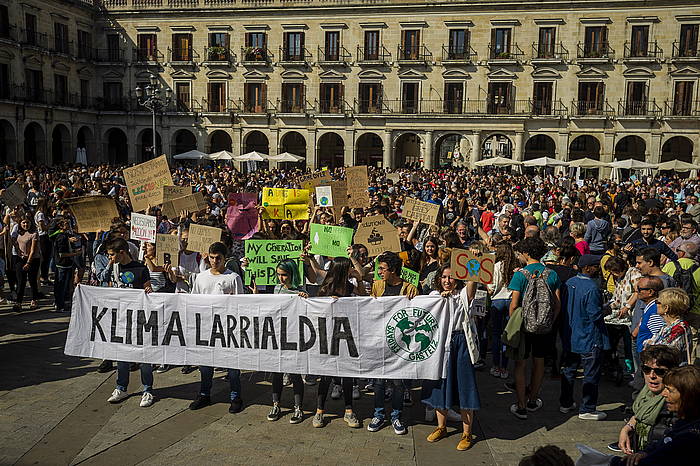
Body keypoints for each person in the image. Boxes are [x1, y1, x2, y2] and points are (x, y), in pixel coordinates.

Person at [422, 264, 480, 451]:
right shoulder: (433, 296)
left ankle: (466, 433)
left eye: (451, 277)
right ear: (439, 279)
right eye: (444, 277)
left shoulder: (462, 294)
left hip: (460, 341)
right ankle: (442, 427)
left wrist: (472, 262)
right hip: (440, 344)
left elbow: (471, 288)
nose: (447, 281)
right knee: (441, 385)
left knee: (465, 385)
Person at [188, 241, 245, 414]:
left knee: (232, 366)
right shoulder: (201, 277)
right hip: (206, 328)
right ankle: (204, 394)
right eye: (211, 258)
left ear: (224, 258)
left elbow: (240, 304)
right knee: (205, 365)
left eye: (218, 258)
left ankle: (236, 397)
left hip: (228, 329)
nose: (214, 261)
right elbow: (194, 301)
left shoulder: (233, 278)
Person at [508, 237, 561, 420]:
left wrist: (513, 323)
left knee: (520, 364)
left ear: (526, 253)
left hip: (523, 325)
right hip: (544, 326)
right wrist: (548, 321)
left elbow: (514, 304)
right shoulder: (551, 274)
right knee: (539, 362)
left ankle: (521, 405)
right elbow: (557, 304)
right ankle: (533, 400)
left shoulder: (520, 275)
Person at [368, 251, 417, 435]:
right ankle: (379, 415)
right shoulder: (377, 286)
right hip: (380, 341)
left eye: (382, 268)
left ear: (394, 270)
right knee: (379, 382)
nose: (379, 272)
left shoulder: (410, 288)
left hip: (399, 345)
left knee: (398, 383)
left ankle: (396, 416)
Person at [312, 257, 364, 429]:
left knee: (347, 376)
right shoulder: (325, 288)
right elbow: (315, 308)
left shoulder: (350, 287)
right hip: (328, 339)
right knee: (325, 376)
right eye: (348, 268)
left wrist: (360, 279)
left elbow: (365, 298)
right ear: (342, 270)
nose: (351, 270)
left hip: (346, 338)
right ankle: (319, 411)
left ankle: (349, 410)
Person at [611, 365, 700, 465]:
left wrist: (611, 462)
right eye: (646, 369)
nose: (664, 394)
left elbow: (660, 458)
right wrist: (645, 452)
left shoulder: (690, 435)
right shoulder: (684, 422)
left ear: (688, 396)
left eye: (669, 390)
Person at [104, 238, 155, 408]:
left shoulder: (141, 269)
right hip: (121, 318)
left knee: (145, 356)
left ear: (122, 253)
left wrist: (148, 291)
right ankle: (121, 387)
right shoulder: (114, 268)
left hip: (140, 319)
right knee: (122, 356)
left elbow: (149, 291)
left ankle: (147, 389)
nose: (109, 258)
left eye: (112, 255)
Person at [559, 254, 610, 420]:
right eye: (596, 266)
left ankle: (566, 403)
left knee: (569, 371)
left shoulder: (569, 283)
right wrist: (607, 309)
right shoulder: (591, 288)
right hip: (589, 336)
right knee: (590, 374)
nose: (598, 269)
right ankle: (587, 408)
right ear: (588, 268)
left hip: (571, 335)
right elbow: (595, 315)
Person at [609, 345, 680, 454]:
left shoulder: (674, 402)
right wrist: (627, 428)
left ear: (671, 373)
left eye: (660, 371)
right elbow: (639, 414)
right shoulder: (644, 394)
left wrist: (645, 454)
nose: (652, 375)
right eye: (646, 369)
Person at [263, 258, 307, 424]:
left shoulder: (299, 290)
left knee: (295, 374)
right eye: (279, 274)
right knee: (277, 372)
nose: (281, 278)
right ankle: (276, 404)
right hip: (278, 336)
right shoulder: (277, 289)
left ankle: (298, 407)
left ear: (292, 274)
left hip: (294, 336)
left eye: (285, 275)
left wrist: (304, 298)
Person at [487, 241, 516, 379]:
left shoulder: (494, 267)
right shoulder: (514, 268)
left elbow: (491, 288)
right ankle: (504, 367)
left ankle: (495, 365)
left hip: (497, 301)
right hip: (510, 300)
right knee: (507, 335)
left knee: (496, 335)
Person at [646, 287, 691, 354]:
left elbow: (665, 354)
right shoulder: (666, 326)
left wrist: (649, 344)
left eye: (657, 302)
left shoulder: (679, 329)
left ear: (666, 308)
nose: (655, 304)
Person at [11, 216, 40, 310]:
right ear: (20, 223)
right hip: (20, 259)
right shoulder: (19, 232)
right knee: (20, 281)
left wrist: (28, 263)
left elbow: (32, 250)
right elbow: (15, 241)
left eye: (27, 223)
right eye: (23, 223)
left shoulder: (34, 234)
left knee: (32, 280)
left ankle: (34, 300)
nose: (25, 224)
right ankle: (18, 303)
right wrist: (17, 249)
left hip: (33, 259)